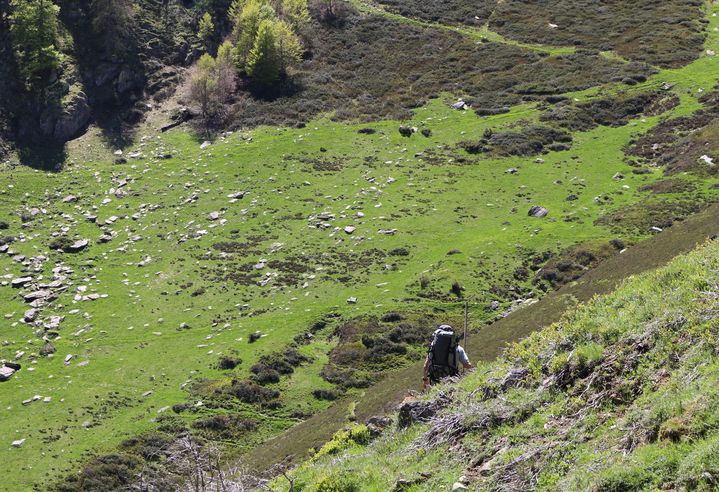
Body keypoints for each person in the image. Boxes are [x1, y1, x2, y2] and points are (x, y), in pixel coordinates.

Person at [422, 324, 472, 389]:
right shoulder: (458, 348)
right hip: (452, 382)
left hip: (435, 382)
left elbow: (425, 366)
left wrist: (425, 380)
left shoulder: (433, 348)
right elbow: (467, 365)